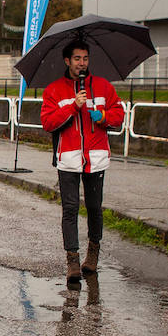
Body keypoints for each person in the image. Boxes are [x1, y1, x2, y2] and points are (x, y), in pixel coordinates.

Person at [40, 40, 124, 281]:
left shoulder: (103, 87)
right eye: (77, 59)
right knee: (70, 209)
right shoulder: (54, 90)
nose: (82, 63)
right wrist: (73, 107)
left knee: (95, 208)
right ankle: (72, 260)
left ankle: (93, 255)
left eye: (85, 58)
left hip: (96, 158)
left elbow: (119, 115)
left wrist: (105, 116)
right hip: (68, 158)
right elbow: (48, 123)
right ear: (67, 61)